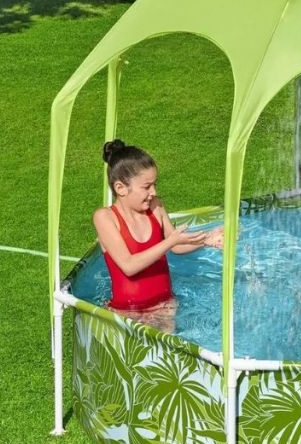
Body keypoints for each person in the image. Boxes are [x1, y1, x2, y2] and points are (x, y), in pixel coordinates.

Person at [92, 139, 222, 332]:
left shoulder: (155, 207)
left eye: (155, 184)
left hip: (165, 307)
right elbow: (129, 266)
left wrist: (207, 239)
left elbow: (176, 246)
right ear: (120, 188)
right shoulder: (105, 218)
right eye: (147, 187)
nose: (154, 192)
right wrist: (169, 242)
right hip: (127, 313)